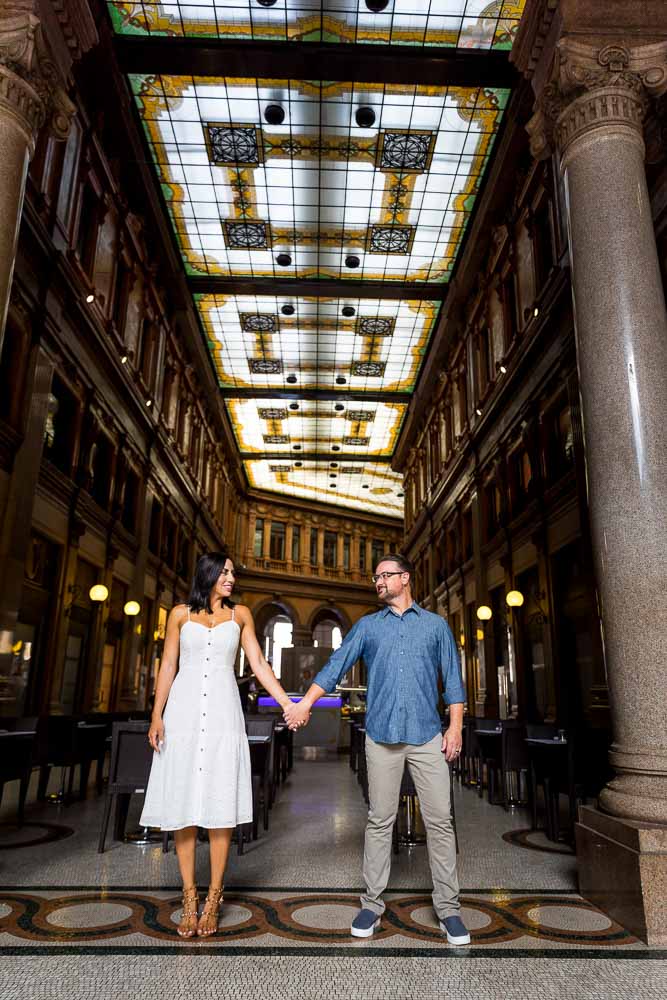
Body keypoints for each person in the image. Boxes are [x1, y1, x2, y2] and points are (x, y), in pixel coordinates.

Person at [287, 553, 470, 946]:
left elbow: (453, 683)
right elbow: (335, 667)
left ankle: (450, 909)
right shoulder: (368, 628)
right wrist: (305, 703)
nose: (378, 582)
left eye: (385, 576)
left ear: (405, 579)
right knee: (379, 820)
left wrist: (454, 728)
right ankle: (371, 904)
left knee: (440, 822)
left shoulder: (436, 627)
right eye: (375, 577)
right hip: (382, 737)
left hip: (426, 737)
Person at [141, 550, 296, 938]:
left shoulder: (239, 615)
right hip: (183, 715)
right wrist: (157, 714)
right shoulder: (179, 614)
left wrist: (287, 703)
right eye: (224, 572)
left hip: (225, 716)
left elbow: (259, 664)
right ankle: (189, 896)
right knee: (185, 802)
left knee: (220, 802)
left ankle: (214, 896)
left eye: (232, 573)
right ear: (207, 574)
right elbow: (168, 666)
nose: (230, 578)